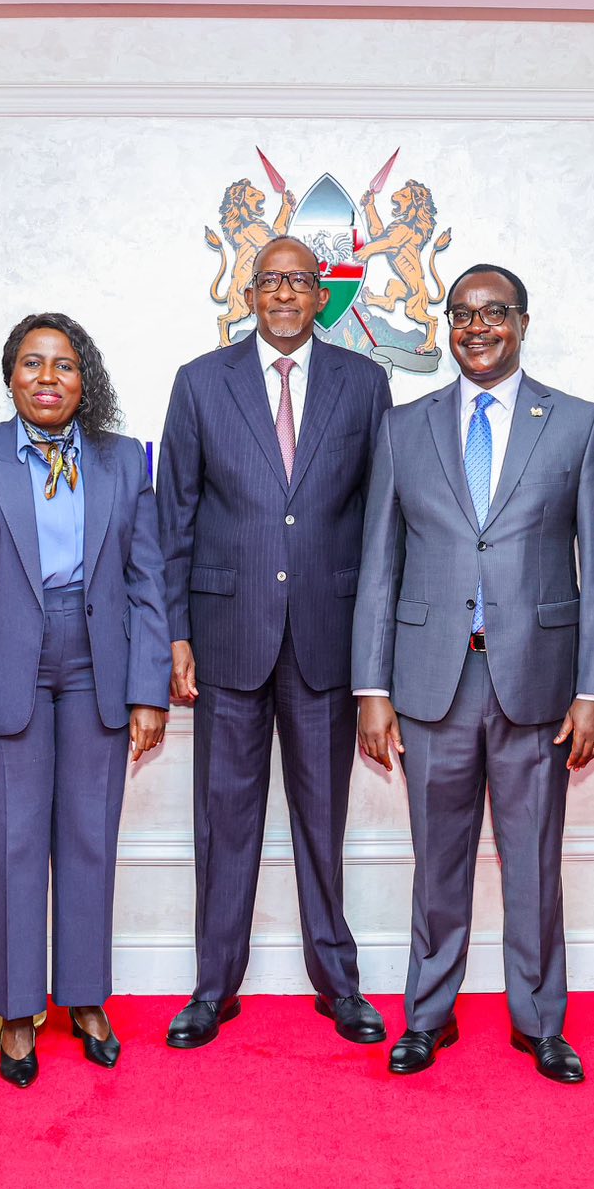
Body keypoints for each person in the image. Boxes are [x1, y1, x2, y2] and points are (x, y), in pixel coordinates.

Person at [351, 264, 594, 1083]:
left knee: (535, 860)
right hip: (431, 682)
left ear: (523, 322)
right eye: (463, 314)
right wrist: (372, 689)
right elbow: (378, 567)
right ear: (447, 325)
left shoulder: (576, 424)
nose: (478, 327)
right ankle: (426, 1019)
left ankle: (542, 1023)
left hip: (538, 682)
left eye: (495, 313)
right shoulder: (404, 429)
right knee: (437, 861)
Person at [157, 236, 393, 1049]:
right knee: (225, 820)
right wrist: (176, 633)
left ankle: (339, 984)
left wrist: (375, 655)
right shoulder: (200, 383)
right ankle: (212, 987)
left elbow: (381, 524)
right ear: (250, 294)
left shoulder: (364, 383)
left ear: (320, 292)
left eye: (301, 280)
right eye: (272, 281)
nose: (287, 293)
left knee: (322, 822)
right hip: (226, 639)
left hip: (326, 637)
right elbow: (173, 520)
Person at [0, 314, 170, 1088]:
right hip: (7, 671)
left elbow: (146, 583)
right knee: (13, 842)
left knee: (91, 839)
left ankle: (87, 999)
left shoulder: (124, 459)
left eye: (64, 365)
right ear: (10, 376)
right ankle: (18, 1009)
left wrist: (148, 690)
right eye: (32, 363)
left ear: (82, 380)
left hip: (98, 661)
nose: (47, 378)